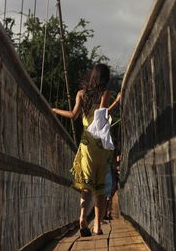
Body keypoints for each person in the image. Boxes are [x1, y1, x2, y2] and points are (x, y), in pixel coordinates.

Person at [52, 63, 121, 236]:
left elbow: (73, 115)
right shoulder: (105, 93)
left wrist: (54, 110)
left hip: (87, 144)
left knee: (86, 183)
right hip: (101, 145)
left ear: (92, 76)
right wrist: (117, 102)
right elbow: (102, 116)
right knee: (100, 186)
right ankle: (97, 226)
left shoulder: (81, 94)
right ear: (105, 78)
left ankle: (82, 216)